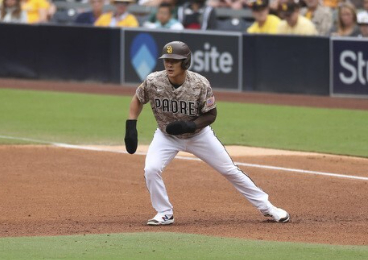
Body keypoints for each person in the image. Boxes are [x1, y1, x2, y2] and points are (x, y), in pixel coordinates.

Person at [124, 41, 290, 225]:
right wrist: (131, 125)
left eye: (175, 60)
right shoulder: (154, 81)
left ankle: (268, 208)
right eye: (167, 60)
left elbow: (211, 114)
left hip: (199, 136)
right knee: (151, 169)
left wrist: (190, 126)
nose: (169, 64)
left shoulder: (200, 84)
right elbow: (138, 99)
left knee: (229, 170)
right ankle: (164, 212)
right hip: (167, 136)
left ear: (185, 62)